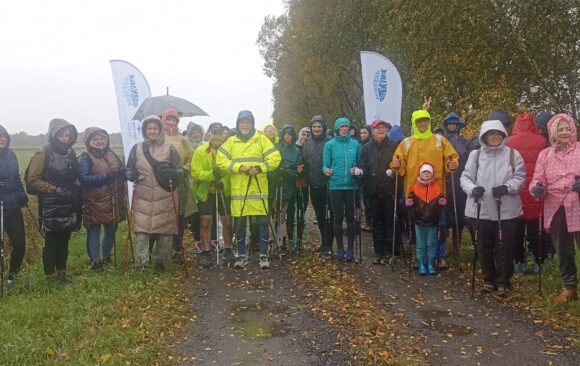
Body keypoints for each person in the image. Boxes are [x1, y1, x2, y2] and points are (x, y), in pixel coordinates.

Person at [461, 119, 525, 297]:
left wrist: (507, 187)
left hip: (506, 210)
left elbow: (520, 177)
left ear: (504, 135)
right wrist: (473, 189)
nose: (495, 136)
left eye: (498, 133)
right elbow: (465, 178)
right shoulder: (475, 155)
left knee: (505, 246)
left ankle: (503, 280)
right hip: (480, 209)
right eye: (491, 134)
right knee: (483, 246)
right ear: (484, 136)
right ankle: (488, 279)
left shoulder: (513, 154)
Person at [217, 110, 281, 269]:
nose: (245, 125)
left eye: (248, 122)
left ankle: (263, 254)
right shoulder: (230, 142)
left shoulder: (262, 140)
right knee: (239, 224)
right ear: (238, 124)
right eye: (242, 122)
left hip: (258, 188)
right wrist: (239, 167)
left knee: (262, 222)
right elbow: (220, 161)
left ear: (252, 123)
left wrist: (260, 168)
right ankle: (241, 255)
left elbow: (276, 158)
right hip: (239, 190)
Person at [530, 113, 580, 302]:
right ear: (553, 132)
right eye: (561, 129)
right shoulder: (545, 154)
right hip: (556, 204)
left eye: (568, 128)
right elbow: (537, 177)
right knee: (563, 248)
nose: (565, 132)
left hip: (577, 202)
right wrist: (536, 188)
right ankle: (570, 288)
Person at [26, 119, 81, 283]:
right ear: (53, 135)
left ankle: (62, 275)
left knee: (65, 239)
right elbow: (32, 180)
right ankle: (50, 277)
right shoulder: (44, 153)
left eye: (67, 135)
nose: (65, 138)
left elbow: (75, 175)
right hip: (51, 203)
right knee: (52, 240)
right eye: (61, 135)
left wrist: (75, 188)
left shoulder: (70, 152)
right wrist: (54, 189)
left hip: (69, 201)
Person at [126, 115, 184, 273]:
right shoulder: (137, 148)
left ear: (160, 130)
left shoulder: (170, 148)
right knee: (141, 232)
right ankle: (141, 264)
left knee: (165, 231)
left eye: (155, 128)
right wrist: (131, 175)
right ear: (144, 131)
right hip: (143, 196)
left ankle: (160, 263)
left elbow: (181, 170)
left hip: (165, 195)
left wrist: (172, 172)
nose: (152, 131)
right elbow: (128, 169)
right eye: (149, 128)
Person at [506, 112, 551, 275]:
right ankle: (539, 261)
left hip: (517, 192)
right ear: (533, 124)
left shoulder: (509, 142)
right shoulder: (543, 141)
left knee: (517, 230)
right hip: (536, 193)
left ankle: (519, 261)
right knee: (537, 230)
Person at [78, 127, 127, 271]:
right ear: (89, 142)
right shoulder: (85, 158)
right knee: (94, 230)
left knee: (111, 229)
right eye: (95, 139)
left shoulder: (112, 154)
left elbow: (120, 172)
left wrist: (123, 174)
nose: (99, 142)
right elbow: (83, 179)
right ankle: (95, 261)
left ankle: (106, 256)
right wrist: (106, 177)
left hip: (113, 199)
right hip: (94, 200)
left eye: (102, 138)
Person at [391, 109, 459, 200]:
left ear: (429, 122)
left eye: (425, 121)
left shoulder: (440, 140)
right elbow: (399, 161)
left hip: (436, 189)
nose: (423, 124)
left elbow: (451, 157)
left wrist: (451, 164)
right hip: (413, 190)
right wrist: (397, 165)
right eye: (419, 121)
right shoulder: (406, 142)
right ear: (414, 123)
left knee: (436, 212)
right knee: (414, 213)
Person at [191, 123, 233, 268]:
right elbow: (195, 172)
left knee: (226, 220)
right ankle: (207, 251)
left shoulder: (227, 150)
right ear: (209, 134)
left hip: (223, 191)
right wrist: (211, 176)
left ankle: (228, 249)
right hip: (206, 192)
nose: (216, 136)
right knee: (205, 221)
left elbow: (230, 171)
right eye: (214, 133)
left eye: (219, 133)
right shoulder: (200, 151)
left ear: (223, 135)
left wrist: (223, 182)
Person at [323, 117, 361, 261]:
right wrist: (326, 170)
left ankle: (350, 249)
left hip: (351, 186)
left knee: (351, 218)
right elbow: (325, 165)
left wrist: (358, 170)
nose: (345, 129)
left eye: (347, 126)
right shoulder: (330, 145)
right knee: (337, 217)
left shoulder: (355, 144)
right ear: (337, 128)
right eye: (342, 126)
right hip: (335, 186)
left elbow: (359, 162)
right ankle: (339, 248)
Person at [161, 108, 196, 264]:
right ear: (163, 120)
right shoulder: (157, 138)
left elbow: (191, 158)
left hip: (179, 184)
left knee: (178, 217)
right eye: (168, 119)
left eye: (174, 120)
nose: (171, 123)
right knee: (163, 217)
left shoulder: (183, 140)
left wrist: (184, 170)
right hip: (161, 184)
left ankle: (177, 249)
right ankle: (161, 250)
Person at [360, 119, 397, 264]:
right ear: (373, 131)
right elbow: (363, 165)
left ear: (387, 130)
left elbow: (399, 163)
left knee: (389, 222)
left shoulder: (393, 146)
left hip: (389, 189)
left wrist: (394, 168)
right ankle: (378, 252)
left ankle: (388, 252)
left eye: (384, 127)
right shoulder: (367, 148)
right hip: (373, 189)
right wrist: (361, 172)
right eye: (378, 128)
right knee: (376, 222)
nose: (381, 130)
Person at [406, 163, 447, 275]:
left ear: (432, 174)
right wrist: (409, 202)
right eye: (424, 172)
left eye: (429, 172)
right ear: (420, 173)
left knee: (431, 243)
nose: (426, 174)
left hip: (433, 220)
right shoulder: (414, 187)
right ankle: (421, 264)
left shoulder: (437, 187)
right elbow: (411, 198)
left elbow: (441, 198)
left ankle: (430, 262)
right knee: (420, 243)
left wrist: (442, 201)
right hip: (419, 220)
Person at [302, 115, 333, 257]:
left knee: (328, 216)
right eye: (314, 127)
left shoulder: (330, 142)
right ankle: (323, 243)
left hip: (327, 185)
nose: (316, 129)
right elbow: (305, 164)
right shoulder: (307, 144)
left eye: (319, 126)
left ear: (323, 127)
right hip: (313, 186)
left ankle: (329, 245)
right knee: (320, 217)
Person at [0, 126, 27, 285]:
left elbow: (16, 177)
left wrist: (21, 193)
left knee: (19, 244)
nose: (2, 139)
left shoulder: (12, 155)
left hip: (13, 206)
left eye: (4, 136)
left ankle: (12, 276)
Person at [442, 112, 469, 267]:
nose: (452, 126)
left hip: (459, 183)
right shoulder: (441, 140)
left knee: (459, 215)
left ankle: (457, 245)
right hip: (445, 182)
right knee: (444, 215)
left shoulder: (464, 142)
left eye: (455, 124)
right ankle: (443, 247)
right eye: (450, 123)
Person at [272, 124, 301, 252]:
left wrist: (287, 172)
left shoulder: (296, 150)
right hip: (277, 185)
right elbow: (272, 164)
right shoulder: (276, 147)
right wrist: (279, 171)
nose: (287, 136)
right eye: (285, 134)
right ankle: (279, 239)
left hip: (290, 186)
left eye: (289, 134)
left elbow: (297, 171)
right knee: (278, 214)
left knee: (290, 214)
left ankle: (290, 239)